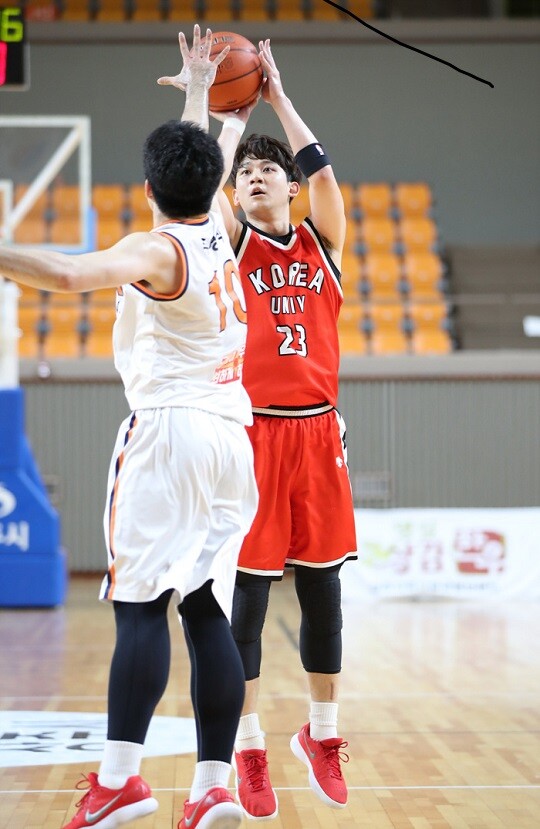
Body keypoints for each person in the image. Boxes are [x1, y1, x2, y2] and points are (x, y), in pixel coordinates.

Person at [0, 26, 258, 829]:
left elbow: (69, 273)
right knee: (204, 609)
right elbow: (203, 156)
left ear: (147, 187)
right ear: (211, 179)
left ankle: (121, 781)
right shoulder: (217, 222)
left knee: (140, 605)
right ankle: (213, 783)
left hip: (169, 434)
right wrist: (199, 91)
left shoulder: (156, 250)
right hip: (232, 434)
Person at [207, 38, 358, 821]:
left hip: (318, 435)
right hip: (255, 436)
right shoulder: (233, 246)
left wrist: (277, 98)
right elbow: (203, 184)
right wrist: (230, 119)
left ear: (291, 187)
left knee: (326, 596)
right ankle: (250, 748)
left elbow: (324, 172)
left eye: (270, 169)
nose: (256, 176)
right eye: (246, 173)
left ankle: (321, 734)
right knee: (250, 605)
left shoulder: (321, 241)